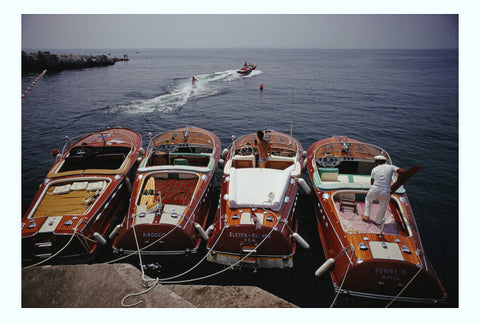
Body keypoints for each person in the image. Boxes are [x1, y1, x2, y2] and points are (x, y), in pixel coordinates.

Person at [362, 155, 405, 225]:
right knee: (383, 207)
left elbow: (372, 182)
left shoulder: (374, 169)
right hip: (386, 192)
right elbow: (402, 171)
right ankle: (378, 221)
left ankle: (366, 215)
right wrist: (400, 176)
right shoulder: (391, 167)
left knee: (368, 200)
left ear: (378, 162)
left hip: (374, 190)